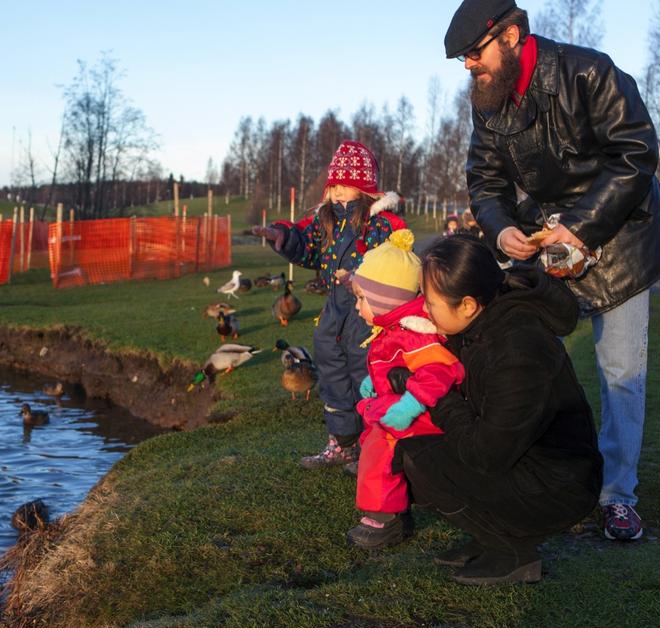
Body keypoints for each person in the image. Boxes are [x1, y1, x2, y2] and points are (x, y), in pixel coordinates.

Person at [444, 0, 660, 540]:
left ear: (510, 36)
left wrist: (580, 228)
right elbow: (484, 183)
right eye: (460, 58)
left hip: (622, 238)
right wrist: (501, 227)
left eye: (472, 53)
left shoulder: (589, 71)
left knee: (622, 373)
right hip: (545, 243)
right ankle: (546, 474)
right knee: (522, 356)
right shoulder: (488, 100)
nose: (467, 66)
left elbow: (636, 154)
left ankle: (618, 495)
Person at [400, 234, 603, 585]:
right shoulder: (482, 324)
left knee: (423, 461)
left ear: (466, 304)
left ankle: (511, 551)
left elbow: (486, 454)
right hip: (527, 462)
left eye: (430, 302)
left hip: (558, 484)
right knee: (409, 450)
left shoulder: (517, 349)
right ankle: (488, 538)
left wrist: (432, 393)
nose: (423, 309)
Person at [252, 141, 405, 469]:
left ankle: (372, 446)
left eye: (345, 186)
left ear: (364, 189)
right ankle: (341, 443)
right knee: (333, 376)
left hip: (367, 316)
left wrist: (363, 279)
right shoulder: (325, 222)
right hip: (333, 312)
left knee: (365, 376)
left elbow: (399, 264)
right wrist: (282, 236)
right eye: (333, 185)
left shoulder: (384, 225)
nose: (337, 193)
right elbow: (305, 244)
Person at [345, 229, 465, 550]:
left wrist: (408, 407)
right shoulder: (392, 329)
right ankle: (391, 507)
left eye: (361, 298)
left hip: (419, 415)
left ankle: (384, 520)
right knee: (372, 441)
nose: (357, 307)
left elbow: (439, 371)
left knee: (382, 450)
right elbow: (394, 366)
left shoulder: (413, 333)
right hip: (396, 404)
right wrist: (376, 382)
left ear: (385, 300)